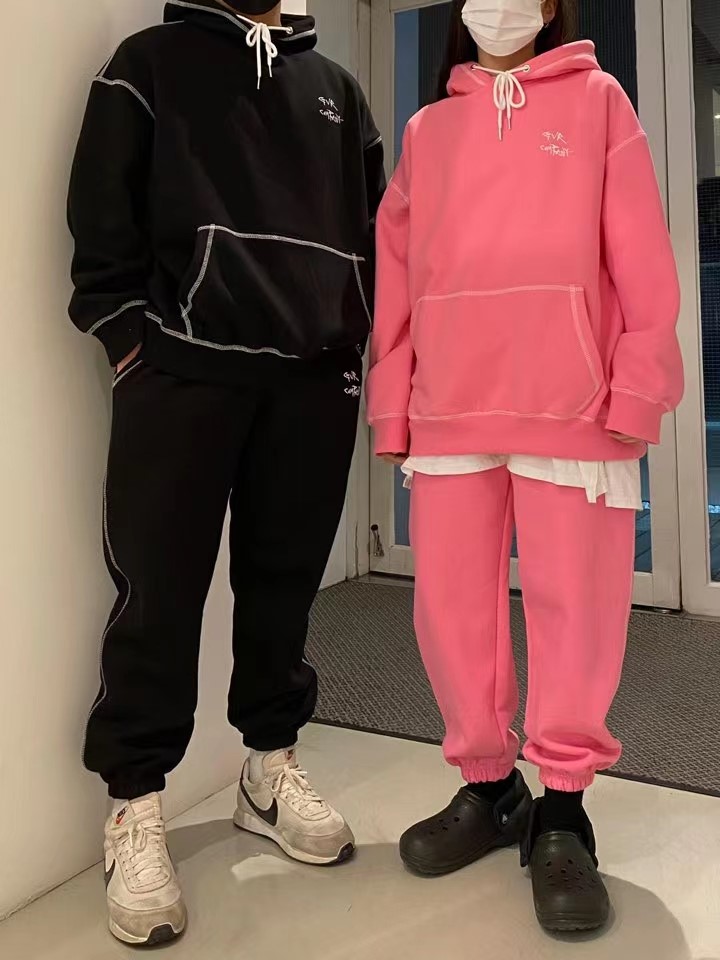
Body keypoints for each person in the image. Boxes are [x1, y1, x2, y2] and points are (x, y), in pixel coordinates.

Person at [68, 0, 384, 945]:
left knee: (285, 586)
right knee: (157, 591)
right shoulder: (147, 64)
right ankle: (135, 804)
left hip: (312, 379)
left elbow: (376, 234)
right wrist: (130, 342)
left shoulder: (336, 92)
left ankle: (267, 770)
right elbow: (101, 217)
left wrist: (350, 343)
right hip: (181, 371)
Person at [367, 0, 683, 934]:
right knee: (451, 609)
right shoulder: (428, 131)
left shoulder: (599, 102)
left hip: (572, 403)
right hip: (451, 402)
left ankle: (564, 810)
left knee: (575, 610)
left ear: (551, 6)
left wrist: (637, 388)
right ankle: (489, 785)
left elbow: (643, 259)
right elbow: (395, 275)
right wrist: (393, 402)